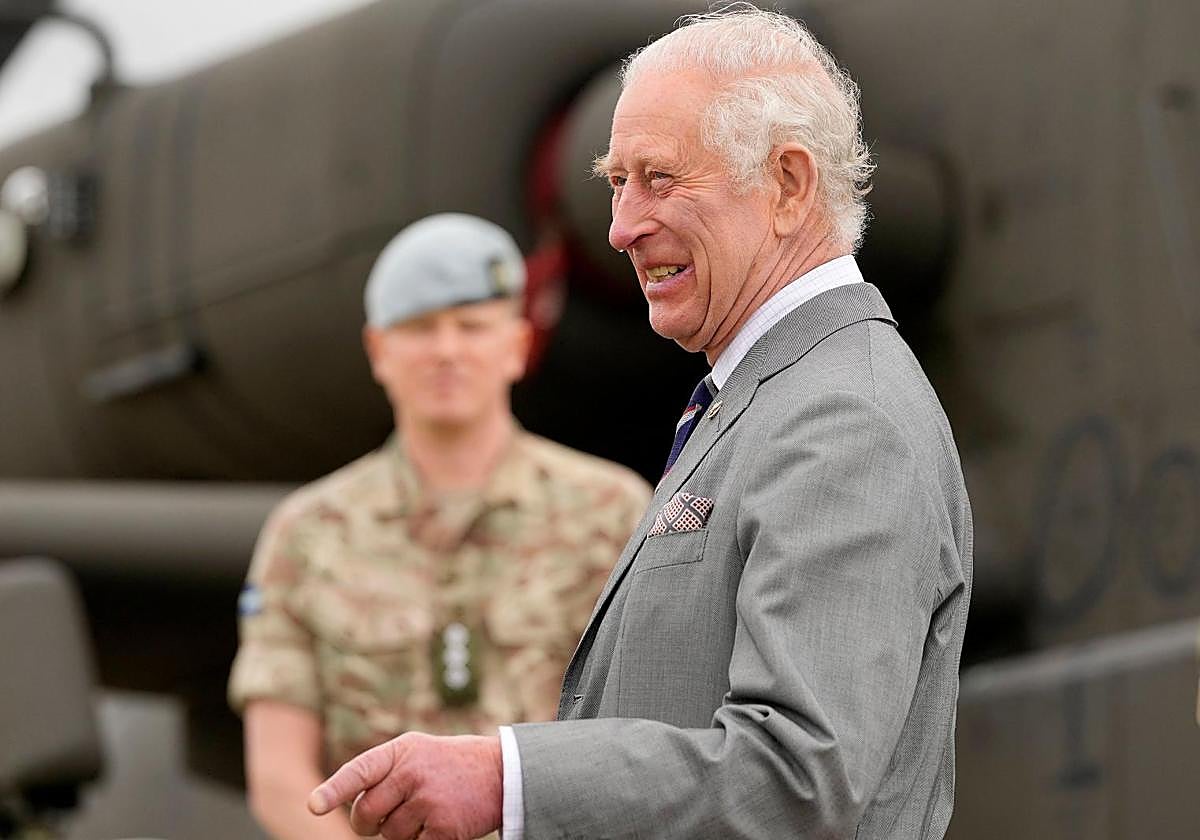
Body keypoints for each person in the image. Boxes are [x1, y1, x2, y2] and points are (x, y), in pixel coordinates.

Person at [308, 7, 973, 839]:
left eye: (660, 178)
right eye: (617, 181)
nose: (621, 228)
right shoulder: (774, 398)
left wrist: (509, 779)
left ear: (790, 185)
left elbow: (801, 780)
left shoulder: (843, 419)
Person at [228, 213, 651, 840]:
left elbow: (646, 740)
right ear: (379, 350)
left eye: (473, 327)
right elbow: (280, 777)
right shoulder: (308, 533)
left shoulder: (612, 513)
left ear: (518, 343)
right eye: (421, 329)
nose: (447, 350)